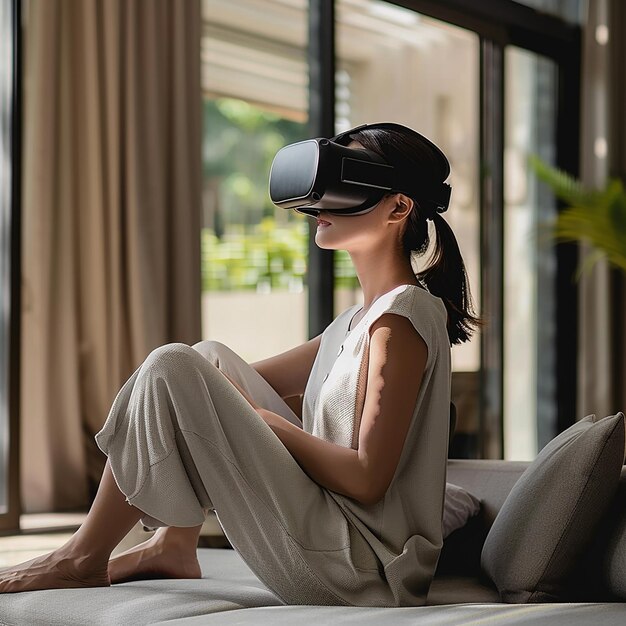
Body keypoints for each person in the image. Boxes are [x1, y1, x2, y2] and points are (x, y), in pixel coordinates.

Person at [0, 122, 479, 606]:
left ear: (398, 207)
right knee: (201, 356)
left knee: (173, 365)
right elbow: (209, 382)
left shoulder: (404, 316)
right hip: (329, 535)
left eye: (344, 184)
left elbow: (367, 479)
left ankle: (82, 558)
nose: (318, 205)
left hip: (359, 567)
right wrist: (224, 412)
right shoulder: (358, 320)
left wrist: (265, 422)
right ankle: (173, 542)